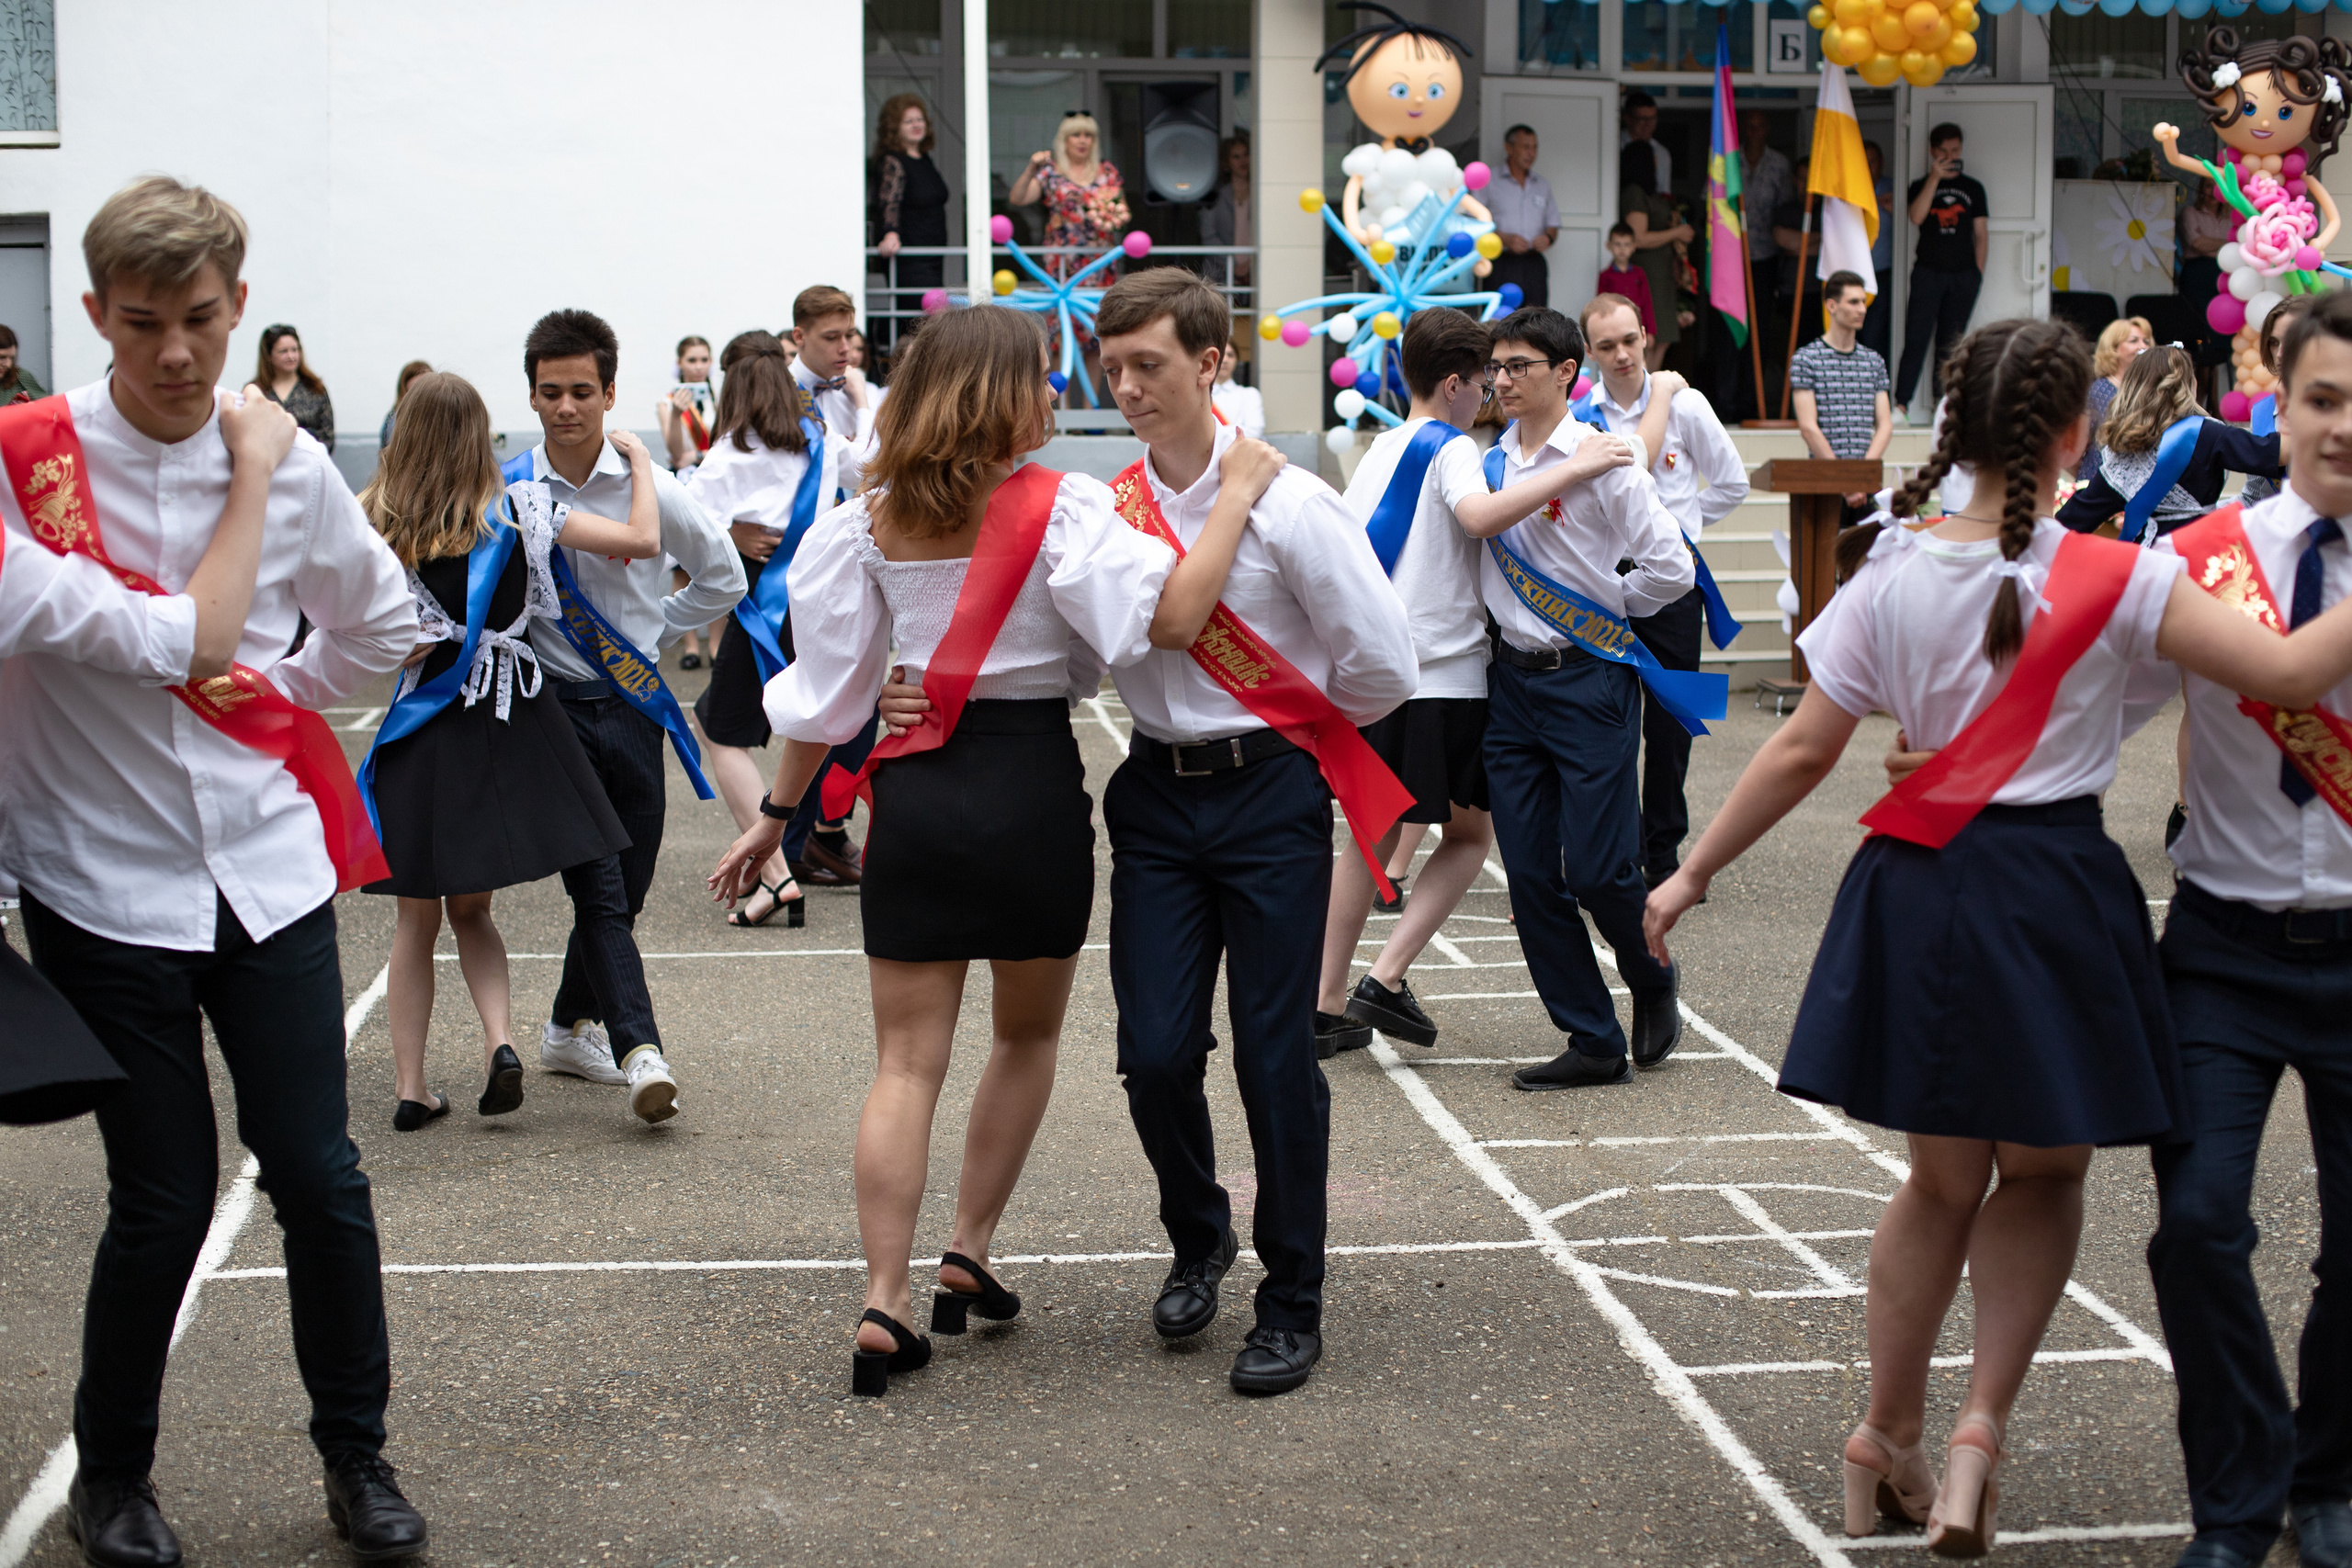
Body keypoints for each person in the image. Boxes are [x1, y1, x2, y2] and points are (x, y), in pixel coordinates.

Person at [1646, 312, 2352, 1561]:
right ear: (2078, 431)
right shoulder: (2128, 576)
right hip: (2054, 890)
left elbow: (1806, 745)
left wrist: (1691, 869)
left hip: (1919, 882)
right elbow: (2280, 676)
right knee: (2043, 1173)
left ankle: (1886, 1430)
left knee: (1936, 1178)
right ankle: (1976, 1435)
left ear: (1952, 428)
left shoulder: (1890, 563)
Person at [712, 303, 1278, 1397]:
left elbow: (827, 704)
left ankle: (883, 1301)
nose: (1057, 395)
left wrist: (776, 818)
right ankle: (967, 1250)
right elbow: (1159, 622)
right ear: (1000, 392)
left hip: (916, 801)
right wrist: (1240, 496)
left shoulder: (864, 521)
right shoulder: (1062, 509)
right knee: (1024, 1040)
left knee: (904, 1064)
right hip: (1028, 794)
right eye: (1041, 377)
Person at [0, 175, 428, 1565]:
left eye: (200, 318)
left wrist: (289, 677)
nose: (177, 352)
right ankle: (113, 1479)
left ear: (240, 305)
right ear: (91, 316)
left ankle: (357, 1453)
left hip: (266, 866)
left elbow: (383, 625)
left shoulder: (298, 467)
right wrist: (242, 545)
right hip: (99, 879)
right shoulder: (24, 465)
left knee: (318, 1169)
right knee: (166, 1192)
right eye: (141, 324)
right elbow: (170, 639)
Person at [1091, 267, 1415, 1395]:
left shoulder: (1290, 500)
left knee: (1278, 1058)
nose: (1126, 386)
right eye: (1112, 363)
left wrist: (1290, 733)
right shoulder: (1111, 510)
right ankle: (1199, 1235)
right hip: (1154, 797)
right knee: (1154, 1052)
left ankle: (1291, 1297)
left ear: (1212, 363)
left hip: (1268, 793)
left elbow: (1382, 663)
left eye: (1150, 365)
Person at [2132, 288, 2352, 1568]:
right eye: (2323, 399)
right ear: (2277, 389)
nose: (2343, 429)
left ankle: (2327, 1474)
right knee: (2197, 1222)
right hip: (2221, 947)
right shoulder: (2203, 554)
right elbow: (2082, 708)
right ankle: (2236, 1492)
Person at [362, 375, 656, 1129]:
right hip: (506, 724)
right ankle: (500, 1042)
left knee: (414, 920)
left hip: (425, 731)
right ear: (478, 437)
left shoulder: (377, 520)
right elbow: (638, 543)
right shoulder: (523, 509)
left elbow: (377, 635)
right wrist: (645, 469)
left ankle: (412, 1086)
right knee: (474, 910)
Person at [510, 309, 743, 1121]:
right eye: (550, 392)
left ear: (609, 393)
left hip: (635, 702)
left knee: (631, 883)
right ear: (532, 395)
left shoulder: (653, 486)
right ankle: (640, 1049)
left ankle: (566, 1025)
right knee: (601, 889)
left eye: (581, 391)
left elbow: (723, 577)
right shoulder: (514, 490)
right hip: (553, 712)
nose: (566, 407)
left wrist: (652, 630)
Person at [1453, 305, 1691, 1091]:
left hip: (1589, 677)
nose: (1502, 379)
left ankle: (1652, 977)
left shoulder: (1602, 457)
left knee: (1600, 870)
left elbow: (1671, 569)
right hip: (1512, 684)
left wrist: (1610, 608)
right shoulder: (1488, 465)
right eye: (1496, 366)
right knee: (1529, 873)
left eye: (1519, 365)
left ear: (1566, 373)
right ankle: (1591, 1035)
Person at [1315, 308, 1496, 1058]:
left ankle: (1323, 1001)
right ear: (1454, 383)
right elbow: (1479, 517)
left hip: (1385, 675)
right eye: (1484, 383)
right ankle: (1384, 977)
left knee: (1366, 836)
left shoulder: (1381, 446)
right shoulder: (1455, 448)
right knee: (1470, 836)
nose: (1489, 395)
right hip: (1449, 675)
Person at [687, 331, 867, 929]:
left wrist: (728, 532)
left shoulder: (730, 456)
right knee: (811, 728)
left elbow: (683, 533)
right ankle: (788, 859)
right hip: (821, 603)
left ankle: (774, 872)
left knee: (719, 728)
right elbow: (871, 470)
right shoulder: (820, 443)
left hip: (765, 611)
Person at [1582, 293, 1750, 887]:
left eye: (1629, 340)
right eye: (1606, 346)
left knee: (1674, 727)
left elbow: (1733, 483)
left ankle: (1664, 854)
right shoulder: (1583, 416)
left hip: (1677, 594)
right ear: (1590, 352)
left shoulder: (1688, 403)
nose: (1622, 354)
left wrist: (1680, 533)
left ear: (1647, 336)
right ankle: (1615, 852)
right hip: (1610, 591)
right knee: (1608, 729)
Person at [780, 284, 882, 888]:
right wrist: (869, 406)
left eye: (851, 337)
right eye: (831, 338)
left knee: (856, 713)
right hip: (795, 576)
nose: (846, 349)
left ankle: (824, 832)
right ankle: (793, 842)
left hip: (849, 569)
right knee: (819, 711)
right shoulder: (787, 393)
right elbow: (864, 465)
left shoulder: (840, 392)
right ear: (799, 337)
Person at [2058, 344, 2280, 539]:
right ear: (2188, 385)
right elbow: (2271, 453)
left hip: (2145, 564)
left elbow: (2074, 519)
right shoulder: (2206, 433)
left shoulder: (2124, 449)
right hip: (2195, 557)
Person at [1008, 112, 1131, 398]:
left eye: (1088, 135)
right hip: (1062, 264)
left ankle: (1091, 412)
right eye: (1076, 135)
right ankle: (1058, 410)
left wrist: (1111, 216)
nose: (1082, 141)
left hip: (1097, 263)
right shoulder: (1051, 171)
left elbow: (1121, 211)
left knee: (1095, 333)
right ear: (1064, 140)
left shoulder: (1107, 172)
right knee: (1060, 334)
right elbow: (1018, 198)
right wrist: (1030, 168)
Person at [1895, 123, 1989, 420]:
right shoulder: (1919, 185)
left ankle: (1942, 404)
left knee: (1952, 343)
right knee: (1916, 337)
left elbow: (1982, 234)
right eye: (1944, 152)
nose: (1950, 156)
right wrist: (1935, 178)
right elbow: (1916, 216)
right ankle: (1901, 405)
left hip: (1963, 275)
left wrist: (1977, 273)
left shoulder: (1973, 188)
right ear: (1932, 151)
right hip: (1928, 272)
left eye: (1955, 151)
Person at [1790, 272, 1893, 517]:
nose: (1862, 309)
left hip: (1865, 486)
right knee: (1823, 555)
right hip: (1823, 483)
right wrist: (1845, 481)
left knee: (1868, 554)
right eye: (1853, 302)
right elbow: (1808, 427)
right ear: (1832, 305)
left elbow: (1885, 425)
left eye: (1863, 301)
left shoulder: (1873, 361)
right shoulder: (1807, 358)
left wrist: (1859, 479)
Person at [873, 93, 950, 358]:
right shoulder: (894, 161)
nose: (917, 124)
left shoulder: (924, 159)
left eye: (920, 119)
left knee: (930, 321)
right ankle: (907, 379)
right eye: (908, 121)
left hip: (932, 257)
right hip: (911, 261)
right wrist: (890, 233)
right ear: (895, 127)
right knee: (921, 323)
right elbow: (888, 201)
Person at [1740, 111, 1798, 418]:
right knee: (1731, 335)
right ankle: (1727, 402)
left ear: (1768, 130)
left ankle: (1755, 402)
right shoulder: (1729, 161)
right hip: (1732, 261)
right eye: (1750, 125)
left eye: (1760, 125)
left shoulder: (1778, 164)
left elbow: (1788, 208)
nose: (1755, 130)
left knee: (1759, 335)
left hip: (1765, 258)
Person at [1618, 143, 1689, 371]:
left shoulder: (1650, 193)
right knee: (1650, 338)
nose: (1657, 162)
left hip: (1662, 272)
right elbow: (1637, 237)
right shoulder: (1635, 193)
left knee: (1664, 337)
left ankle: (1649, 391)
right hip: (1648, 273)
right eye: (1653, 158)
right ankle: (1641, 392)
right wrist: (1677, 233)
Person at [1489, 124, 1561, 310]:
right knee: (1500, 319)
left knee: (1537, 320)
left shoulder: (1542, 185)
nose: (1532, 153)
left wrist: (1548, 238)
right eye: (1526, 147)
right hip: (1502, 262)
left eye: (1535, 147)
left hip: (1533, 263)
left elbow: (1553, 223)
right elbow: (1474, 221)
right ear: (1509, 148)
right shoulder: (1490, 180)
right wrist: (1504, 238)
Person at [2080, 316, 2154, 480]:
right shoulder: (2099, 390)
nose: (2142, 347)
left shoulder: (2150, 390)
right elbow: (2080, 444)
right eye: (2134, 341)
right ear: (2113, 348)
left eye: (2146, 342)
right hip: (2098, 481)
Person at [257, 321, 334, 451]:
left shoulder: (315, 389)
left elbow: (328, 438)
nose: (291, 356)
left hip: (309, 465)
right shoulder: (257, 391)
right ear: (269, 355)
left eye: (295, 350)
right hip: (268, 467)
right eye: (283, 351)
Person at [656, 333, 717, 472]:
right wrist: (676, 415)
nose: (699, 367)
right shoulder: (667, 404)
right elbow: (678, 457)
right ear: (679, 363)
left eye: (704, 360)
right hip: (687, 475)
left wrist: (698, 455)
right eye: (692, 360)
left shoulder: (716, 400)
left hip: (715, 470)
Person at [1199, 131, 1253, 288]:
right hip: (1220, 272)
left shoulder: (1261, 195)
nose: (1243, 161)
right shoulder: (1214, 194)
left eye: (1246, 154)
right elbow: (1208, 236)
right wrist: (1233, 264)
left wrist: (1250, 264)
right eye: (1236, 157)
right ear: (1226, 162)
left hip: (1255, 269)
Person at [1861, 141, 1895, 364]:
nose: (1867, 166)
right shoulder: (1850, 190)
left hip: (1882, 274)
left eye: (1871, 161)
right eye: (1862, 161)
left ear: (1881, 163)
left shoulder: (1893, 188)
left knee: (1875, 336)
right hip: (1853, 275)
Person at [1597, 222, 1657, 336]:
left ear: (1634, 246)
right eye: (1617, 244)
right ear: (1609, 245)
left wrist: (1650, 332)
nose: (1622, 249)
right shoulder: (1605, 275)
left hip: (1637, 326)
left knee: (1636, 354)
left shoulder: (1639, 274)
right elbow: (1600, 305)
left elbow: (1647, 303)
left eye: (1626, 245)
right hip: (1613, 327)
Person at [1211, 337, 1265, 438]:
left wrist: (1216, 434)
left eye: (1230, 355)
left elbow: (1254, 431)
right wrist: (1236, 430)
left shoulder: (1249, 394)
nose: (1225, 360)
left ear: (1237, 360)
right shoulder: (1201, 395)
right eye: (1220, 354)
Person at [1621, 91, 1673, 195]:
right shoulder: (1614, 145)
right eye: (1642, 119)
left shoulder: (1661, 152)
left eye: (1652, 118)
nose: (1648, 124)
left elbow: (1663, 191)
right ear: (1627, 119)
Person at [377, 357, 431, 448]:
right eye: (417, 386)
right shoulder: (396, 419)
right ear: (405, 388)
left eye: (428, 384)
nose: (423, 392)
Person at [0, 321, 46, 401]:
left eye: (12, 358)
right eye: (2, 357)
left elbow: (48, 407)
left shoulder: (20, 377)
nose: (8, 364)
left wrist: (27, 409)